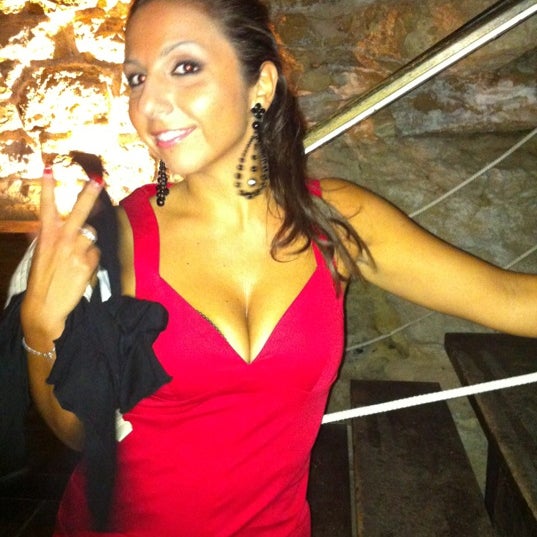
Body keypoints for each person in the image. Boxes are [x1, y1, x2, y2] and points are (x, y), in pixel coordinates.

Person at [16, 0, 537, 535]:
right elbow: (82, 431)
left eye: (185, 67)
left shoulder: (335, 221)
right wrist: (40, 328)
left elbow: (512, 298)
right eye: (136, 78)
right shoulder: (120, 239)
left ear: (260, 86)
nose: (148, 103)